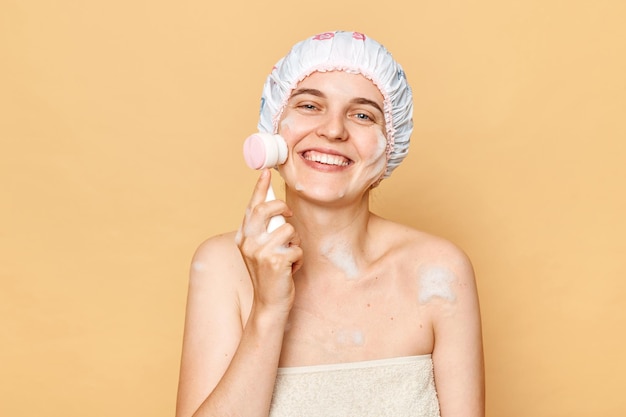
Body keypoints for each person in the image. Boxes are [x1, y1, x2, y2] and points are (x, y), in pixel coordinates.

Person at [175, 30, 484, 417]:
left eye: (361, 114)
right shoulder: (221, 266)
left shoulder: (440, 271)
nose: (334, 130)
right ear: (273, 130)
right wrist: (268, 311)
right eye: (309, 106)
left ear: (390, 145)